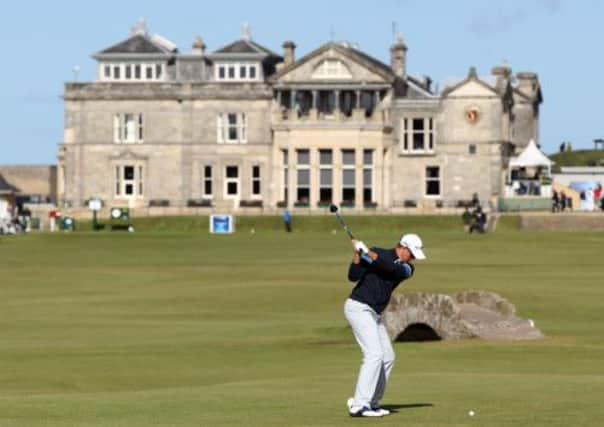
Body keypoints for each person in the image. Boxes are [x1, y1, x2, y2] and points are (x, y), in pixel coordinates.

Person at [344, 234, 426, 417]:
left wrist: (369, 254)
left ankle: (372, 402)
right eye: (412, 254)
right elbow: (353, 276)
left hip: (374, 313)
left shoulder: (407, 268)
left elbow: (390, 268)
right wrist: (357, 254)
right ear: (403, 247)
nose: (413, 259)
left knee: (387, 356)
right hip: (358, 307)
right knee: (374, 354)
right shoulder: (377, 253)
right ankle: (359, 405)